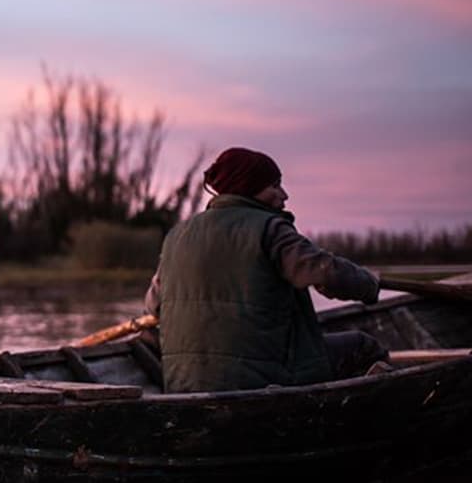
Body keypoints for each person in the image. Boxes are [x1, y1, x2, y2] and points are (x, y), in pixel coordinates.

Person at [145, 147, 387, 393]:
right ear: (248, 187)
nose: (284, 195)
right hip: (265, 378)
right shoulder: (270, 228)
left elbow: (153, 307)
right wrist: (369, 283)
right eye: (275, 186)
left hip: (183, 383)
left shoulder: (176, 235)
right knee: (363, 346)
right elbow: (326, 272)